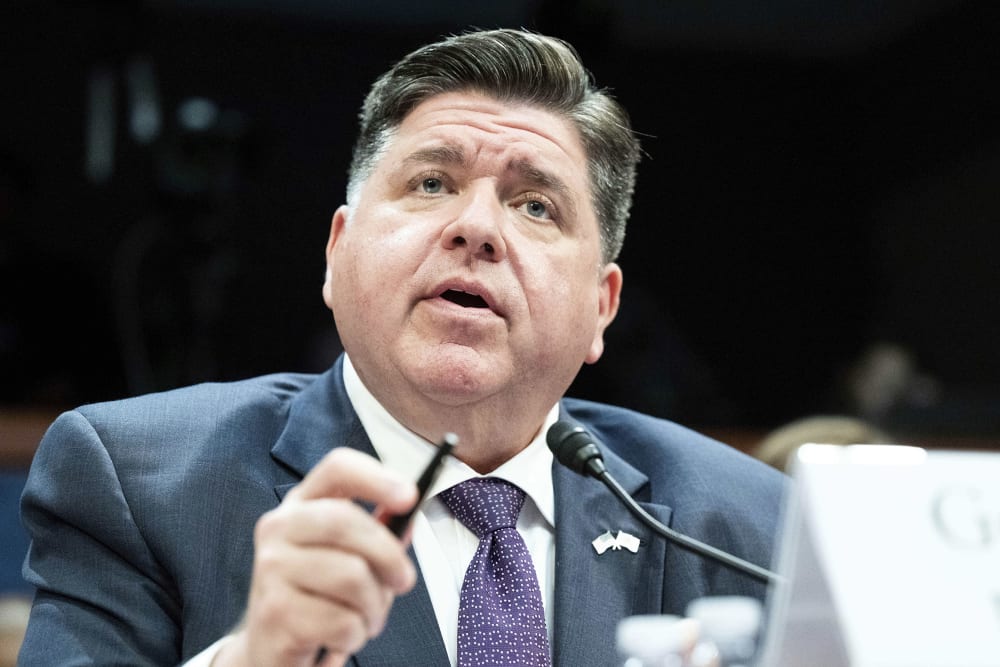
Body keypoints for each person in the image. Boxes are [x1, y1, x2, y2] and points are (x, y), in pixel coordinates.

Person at [18, 29, 785, 666]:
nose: (476, 228)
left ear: (600, 307)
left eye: (535, 205)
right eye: (431, 183)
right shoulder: (140, 483)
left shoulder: (747, 524)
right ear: (337, 253)